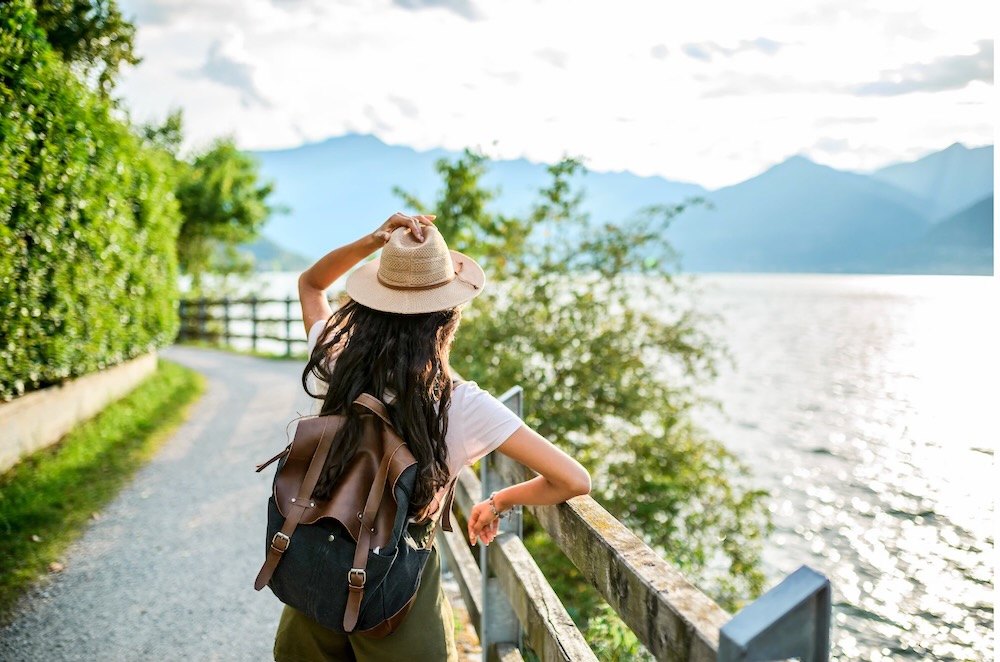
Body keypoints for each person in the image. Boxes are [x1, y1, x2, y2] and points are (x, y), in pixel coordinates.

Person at [273, 213, 591, 661]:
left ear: (367, 304)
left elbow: (311, 284)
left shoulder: (336, 358)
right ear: (448, 317)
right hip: (397, 587)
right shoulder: (462, 404)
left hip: (316, 569)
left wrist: (375, 239)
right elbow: (572, 479)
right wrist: (497, 501)